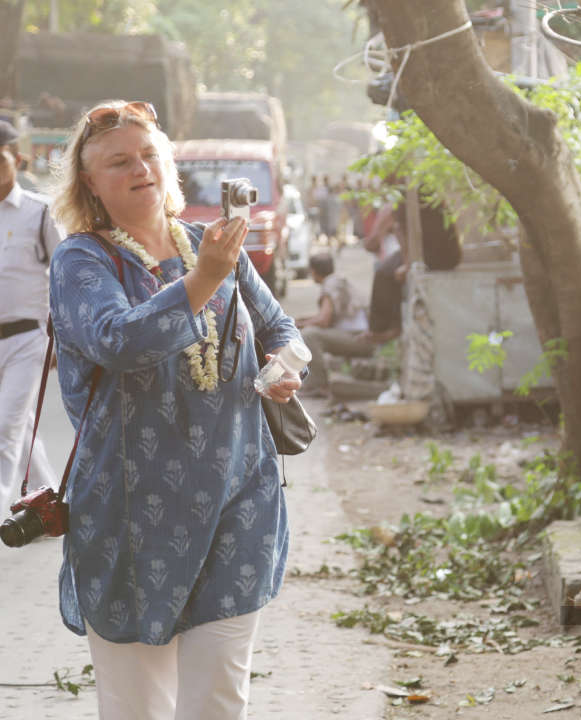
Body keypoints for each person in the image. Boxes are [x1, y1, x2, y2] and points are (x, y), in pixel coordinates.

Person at [47, 100, 302, 720]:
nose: (141, 167)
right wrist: (206, 279)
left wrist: (282, 368)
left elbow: (282, 329)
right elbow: (119, 340)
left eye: (150, 154)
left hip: (236, 504)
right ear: (90, 182)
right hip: (130, 519)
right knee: (139, 709)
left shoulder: (204, 243)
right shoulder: (82, 260)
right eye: (119, 160)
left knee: (217, 701)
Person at [0, 119, 62, 516]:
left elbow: (66, 274)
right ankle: (49, 500)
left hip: (28, 338)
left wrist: (63, 336)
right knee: (17, 428)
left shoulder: (40, 214)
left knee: (5, 426)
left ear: (17, 160)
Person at [362, 197, 461, 343]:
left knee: (384, 273)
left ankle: (383, 330)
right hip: (441, 252)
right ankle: (385, 328)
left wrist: (407, 265)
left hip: (433, 253)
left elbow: (381, 239)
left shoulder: (401, 201)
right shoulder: (420, 197)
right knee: (385, 271)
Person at [297, 251, 373, 398]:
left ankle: (318, 384)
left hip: (360, 338)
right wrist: (302, 321)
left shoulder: (331, 284)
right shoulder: (337, 280)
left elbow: (324, 320)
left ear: (313, 271)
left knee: (309, 335)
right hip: (360, 336)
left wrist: (301, 324)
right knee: (308, 330)